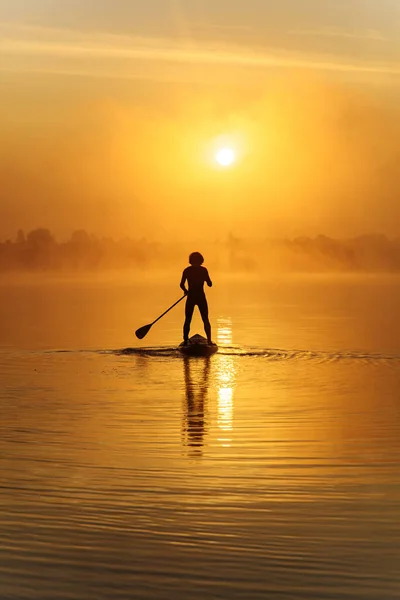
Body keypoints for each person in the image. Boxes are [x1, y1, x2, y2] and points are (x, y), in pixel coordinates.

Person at [180, 252, 214, 345]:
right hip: (200, 297)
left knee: (188, 319)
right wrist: (208, 281)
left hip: (191, 297)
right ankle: (209, 341)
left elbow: (181, 285)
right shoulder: (203, 270)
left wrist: (185, 290)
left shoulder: (187, 270)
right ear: (201, 260)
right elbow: (210, 284)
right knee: (205, 319)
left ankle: (186, 340)